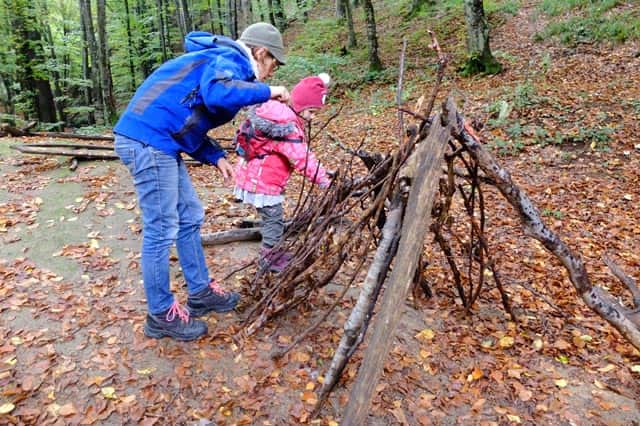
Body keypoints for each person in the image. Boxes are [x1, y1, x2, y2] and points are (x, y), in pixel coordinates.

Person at [113, 23, 291, 341]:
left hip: (160, 141)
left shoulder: (220, 62)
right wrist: (269, 92)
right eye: (273, 65)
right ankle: (160, 314)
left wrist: (216, 156)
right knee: (161, 228)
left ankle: (200, 292)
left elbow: (189, 118)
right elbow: (217, 93)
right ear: (260, 53)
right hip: (147, 141)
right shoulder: (229, 58)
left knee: (190, 215)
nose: (270, 73)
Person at [233, 73, 332, 272]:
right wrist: (323, 179)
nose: (312, 118)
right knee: (274, 220)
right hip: (263, 181)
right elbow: (301, 157)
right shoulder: (286, 125)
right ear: (301, 105)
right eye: (311, 112)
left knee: (272, 218)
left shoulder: (277, 114)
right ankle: (269, 257)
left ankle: (273, 252)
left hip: (255, 176)